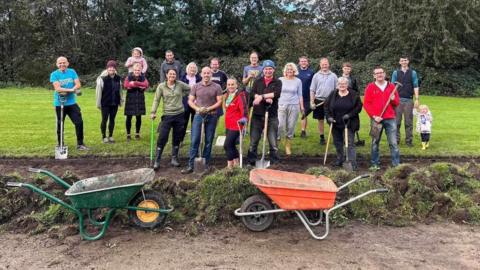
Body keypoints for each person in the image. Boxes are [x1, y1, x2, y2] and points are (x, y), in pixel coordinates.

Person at [181, 67, 223, 174]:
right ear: (201, 74)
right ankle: (191, 165)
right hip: (198, 115)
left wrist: (208, 109)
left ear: (211, 74)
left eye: (208, 73)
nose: (206, 75)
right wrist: (198, 109)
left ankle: (205, 164)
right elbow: (190, 101)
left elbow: (219, 102)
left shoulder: (217, 86)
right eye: (204, 73)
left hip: (212, 115)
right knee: (194, 140)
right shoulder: (196, 86)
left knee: (208, 141)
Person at [151, 69, 191, 170]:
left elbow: (190, 89)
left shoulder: (180, 84)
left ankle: (174, 158)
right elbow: (156, 99)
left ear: (176, 75)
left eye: (174, 74)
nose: (172, 75)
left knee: (177, 137)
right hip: (167, 115)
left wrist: (184, 95)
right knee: (163, 137)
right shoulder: (161, 86)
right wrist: (153, 112)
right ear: (166, 75)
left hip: (180, 114)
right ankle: (157, 160)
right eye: (170, 74)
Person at [363, 66, 400, 170]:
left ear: (384, 74)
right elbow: (366, 104)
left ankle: (396, 164)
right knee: (375, 142)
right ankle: (375, 163)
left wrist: (393, 99)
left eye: (381, 72)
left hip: (390, 118)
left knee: (393, 142)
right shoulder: (370, 87)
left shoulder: (392, 86)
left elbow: (397, 103)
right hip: (376, 119)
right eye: (377, 73)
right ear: (374, 75)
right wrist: (374, 116)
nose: (379, 75)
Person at [247, 60, 282, 165]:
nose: (268, 71)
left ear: (273, 70)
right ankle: (251, 162)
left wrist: (261, 96)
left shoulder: (277, 82)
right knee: (253, 141)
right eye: (266, 69)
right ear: (263, 70)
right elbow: (253, 93)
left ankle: (274, 163)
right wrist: (261, 97)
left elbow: (276, 94)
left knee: (273, 142)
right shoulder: (258, 81)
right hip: (257, 115)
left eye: (270, 69)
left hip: (271, 115)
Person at [50, 56, 88, 150]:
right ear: (57, 64)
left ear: (67, 63)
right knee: (60, 124)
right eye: (60, 63)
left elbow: (78, 84)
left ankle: (80, 144)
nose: (62, 64)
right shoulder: (54, 74)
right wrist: (71, 90)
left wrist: (70, 90)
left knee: (79, 122)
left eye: (64, 62)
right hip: (60, 103)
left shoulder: (72, 71)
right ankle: (60, 144)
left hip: (71, 103)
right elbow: (58, 88)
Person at [325, 77, 363, 170]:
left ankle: (352, 162)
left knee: (349, 143)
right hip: (335, 123)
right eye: (340, 83)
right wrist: (329, 117)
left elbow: (358, 107)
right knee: (338, 143)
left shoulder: (354, 95)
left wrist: (349, 115)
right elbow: (326, 107)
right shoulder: (333, 94)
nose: (342, 85)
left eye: (344, 83)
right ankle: (340, 159)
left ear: (347, 85)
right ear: (337, 85)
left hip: (348, 123)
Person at [391, 56, 420, 146]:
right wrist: (392, 96)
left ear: (408, 61)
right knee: (397, 122)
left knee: (408, 122)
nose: (404, 62)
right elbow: (392, 86)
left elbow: (415, 85)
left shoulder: (413, 73)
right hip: (398, 100)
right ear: (400, 62)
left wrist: (417, 99)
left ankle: (409, 141)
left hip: (408, 100)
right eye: (402, 60)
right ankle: (396, 140)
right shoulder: (396, 73)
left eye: (405, 60)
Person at [310, 58, 338, 145]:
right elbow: (312, 90)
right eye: (323, 64)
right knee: (320, 120)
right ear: (320, 65)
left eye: (326, 64)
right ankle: (322, 138)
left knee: (332, 120)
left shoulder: (333, 76)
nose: (324, 66)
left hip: (330, 100)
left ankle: (335, 138)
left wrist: (335, 100)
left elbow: (337, 89)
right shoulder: (316, 76)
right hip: (319, 100)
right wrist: (312, 101)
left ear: (328, 64)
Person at [278, 62, 304, 156]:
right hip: (281, 105)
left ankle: (287, 146)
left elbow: (300, 94)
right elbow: (276, 93)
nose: (289, 71)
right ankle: (275, 145)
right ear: (285, 70)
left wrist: (302, 107)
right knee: (280, 125)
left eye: (291, 69)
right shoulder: (280, 80)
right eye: (288, 69)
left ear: (294, 71)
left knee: (291, 126)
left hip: (294, 106)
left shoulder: (298, 81)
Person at [223, 78, 248, 169]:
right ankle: (236, 163)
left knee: (227, 145)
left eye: (232, 84)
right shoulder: (227, 95)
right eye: (229, 84)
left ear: (236, 85)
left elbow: (244, 109)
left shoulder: (240, 95)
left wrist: (244, 119)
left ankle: (229, 165)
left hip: (236, 125)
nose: (230, 86)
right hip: (228, 124)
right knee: (232, 144)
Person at [96, 60, 123, 143]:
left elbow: (120, 91)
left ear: (115, 69)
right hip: (105, 103)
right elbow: (98, 92)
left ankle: (110, 136)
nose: (111, 69)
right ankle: (104, 136)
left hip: (114, 103)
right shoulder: (102, 79)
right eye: (110, 67)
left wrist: (121, 101)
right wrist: (98, 104)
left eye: (113, 67)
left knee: (112, 119)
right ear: (107, 68)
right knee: (104, 119)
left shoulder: (118, 78)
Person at [124, 63, 149, 140]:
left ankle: (137, 134)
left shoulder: (143, 77)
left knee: (139, 117)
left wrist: (134, 83)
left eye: (138, 70)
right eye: (135, 70)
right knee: (129, 117)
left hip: (139, 99)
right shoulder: (128, 77)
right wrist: (140, 86)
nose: (137, 71)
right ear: (133, 70)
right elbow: (126, 85)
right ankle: (128, 134)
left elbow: (146, 85)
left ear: (141, 70)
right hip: (130, 99)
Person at [180, 62, 202, 142]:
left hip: (196, 102)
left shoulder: (199, 78)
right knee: (184, 122)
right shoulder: (183, 77)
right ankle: (180, 140)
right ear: (187, 69)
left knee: (195, 122)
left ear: (196, 70)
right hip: (185, 102)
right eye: (190, 68)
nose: (192, 69)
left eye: (194, 68)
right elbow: (180, 89)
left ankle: (194, 140)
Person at [297, 56, 315, 138]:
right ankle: (291, 130)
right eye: (302, 61)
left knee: (304, 114)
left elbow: (314, 85)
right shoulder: (295, 71)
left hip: (306, 97)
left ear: (307, 62)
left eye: (305, 61)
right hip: (295, 96)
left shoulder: (311, 72)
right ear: (299, 62)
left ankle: (303, 131)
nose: (303, 62)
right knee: (292, 114)